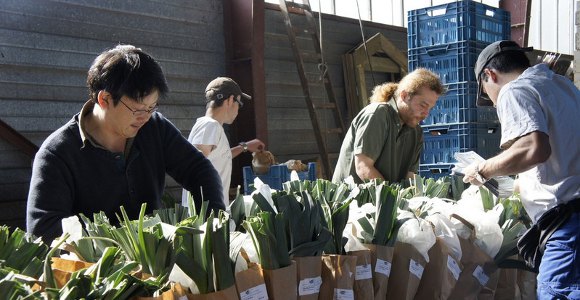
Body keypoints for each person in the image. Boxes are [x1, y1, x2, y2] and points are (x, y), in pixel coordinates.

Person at [26, 45, 224, 243]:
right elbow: (44, 227)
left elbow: (199, 170)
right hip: (97, 269)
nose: (145, 117)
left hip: (156, 263)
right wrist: (113, 244)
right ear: (104, 99)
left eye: (151, 107)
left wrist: (214, 226)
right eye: (138, 109)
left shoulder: (155, 128)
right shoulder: (57, 153)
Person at [463, 40, 580, 298]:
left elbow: (534, 149)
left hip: (569, 227)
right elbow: (561, 157)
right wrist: (518, 184)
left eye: (486, 91)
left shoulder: (514, 90)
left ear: (489, 75)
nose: (493, 103)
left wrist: (484, 169)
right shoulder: (564, 87)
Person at [332, 68, 445, 184]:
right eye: (423, 105)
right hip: (350, 200)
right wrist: (393, 198)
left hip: (383, 199)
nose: (426, 114)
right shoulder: (377, 114)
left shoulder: (416, 132)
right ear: (404, 96)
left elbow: (409, 177)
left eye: (430, 108)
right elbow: (363, 168)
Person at [181, 77, 265, 208]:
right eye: (239, 103)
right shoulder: (210, 126)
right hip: (206, 215)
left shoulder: (211, 127)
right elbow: (194, 165)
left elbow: (218, 157)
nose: (238, 109)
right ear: (231, 100)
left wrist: (245, 146)